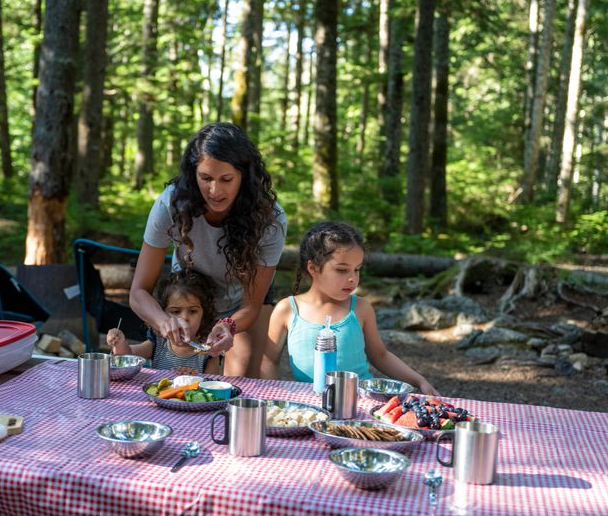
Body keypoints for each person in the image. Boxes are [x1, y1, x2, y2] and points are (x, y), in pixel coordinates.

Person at [129, 122, 287, 377]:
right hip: (190, 299)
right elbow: (138, 292)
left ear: (244, 178)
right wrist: (163, 321)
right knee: (179, 380)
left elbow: (252, 305)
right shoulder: (171, 204)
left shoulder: (270, 219)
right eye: (206, 178)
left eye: (226, 179)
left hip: (242, 306)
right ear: (193, 175)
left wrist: (228, 325)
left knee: (244, 377)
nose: (215, 191)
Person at [262, 221, 438, 395]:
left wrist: (419, 380)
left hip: (362, 402)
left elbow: (380, 356)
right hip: (311, 403)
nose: (353, 278)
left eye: (357, 269)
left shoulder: (361, 308)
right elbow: (269, 361)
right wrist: (277, 398)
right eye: (342, 270)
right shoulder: (288, 310)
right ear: (313, 268)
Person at [107, 271, 225, 374]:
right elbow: (129, 356)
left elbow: (212, 385)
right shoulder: (159, 343)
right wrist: (120, 343)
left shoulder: (208, 352)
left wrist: (194, 380)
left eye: (193, 311)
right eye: (176, 311)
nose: (184, 318)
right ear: (161, 313)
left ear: (204, 315)